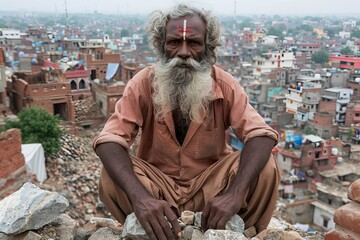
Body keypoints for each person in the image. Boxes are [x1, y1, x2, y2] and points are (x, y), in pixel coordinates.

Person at [93, 4, 280, 240]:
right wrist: (142, 198)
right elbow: (109, 140)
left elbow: (261, 135)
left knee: (265, 167)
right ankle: (150, 228)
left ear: (207, 48)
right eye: (174, 43)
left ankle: (239, 232)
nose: (183, 52)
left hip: (212, 190)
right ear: (161, 46)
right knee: (110, 174)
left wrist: (234, 193)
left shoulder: (225, 84)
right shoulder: (142, 84)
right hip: (156, 191)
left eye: (193, 43)